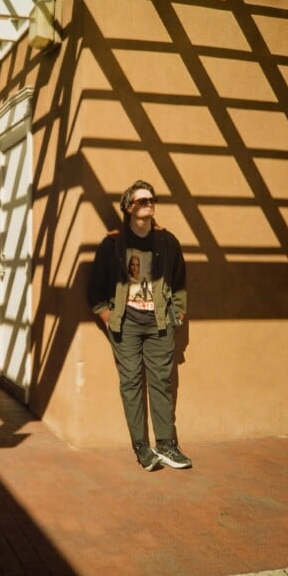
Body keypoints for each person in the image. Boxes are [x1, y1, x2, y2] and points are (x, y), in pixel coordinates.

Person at [88, 179, 192, 471]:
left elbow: (180, 280)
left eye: (152, 199)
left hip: (159, 322)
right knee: (131, 382)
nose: (149, 204)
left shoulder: (167, 241)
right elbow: (95, 286)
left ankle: (167, 445)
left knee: (161, 381)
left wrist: (179, 313)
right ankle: (141, 447)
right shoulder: (113, 244)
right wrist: (106, 316)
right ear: (128, 207)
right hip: (127, 323)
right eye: (143, 200)